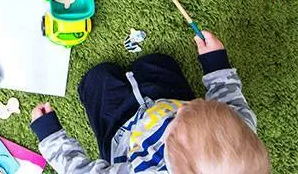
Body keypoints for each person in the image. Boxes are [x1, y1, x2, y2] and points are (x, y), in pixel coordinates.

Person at [30, 31, 269, 173]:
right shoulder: (239, 129)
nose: (184, 107)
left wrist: (50, 136)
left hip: (122, 134)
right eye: (199, 105)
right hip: (166, 95)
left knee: (98, 78)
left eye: (179, 119)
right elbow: (227, 95)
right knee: (157, 62)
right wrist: (215, 62)